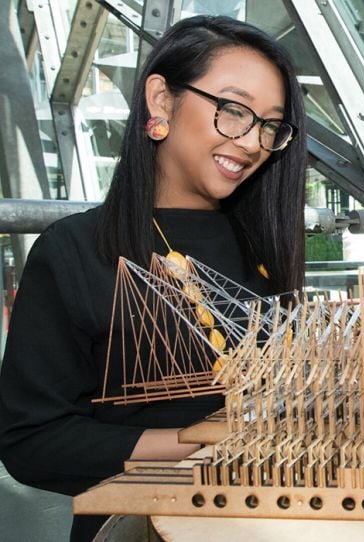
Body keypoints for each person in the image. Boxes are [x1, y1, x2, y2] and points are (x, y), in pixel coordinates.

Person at [0, 15, 306, 541]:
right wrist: (203, 440)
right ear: (161, 100)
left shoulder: (266, 249)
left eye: (269, 125)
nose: (252, 142)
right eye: (233, 111)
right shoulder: (76, 251)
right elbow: (33, 440)